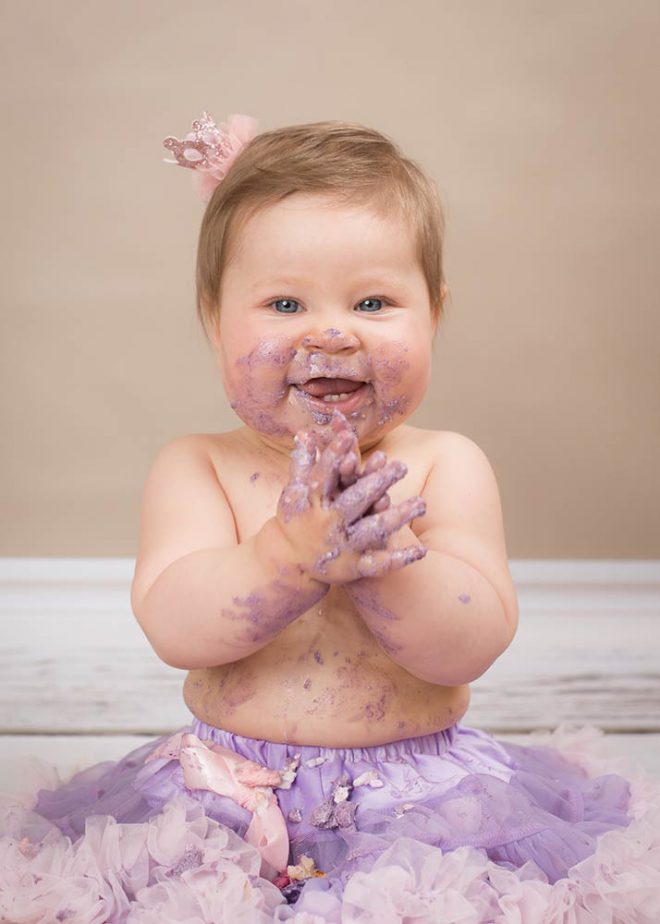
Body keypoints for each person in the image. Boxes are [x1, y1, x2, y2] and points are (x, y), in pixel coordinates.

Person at [1, 112, 658, 924]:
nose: (332, 331)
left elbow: (473, 642)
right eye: (283, 302)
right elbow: (177, 626)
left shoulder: (444, 465)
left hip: (424, 811)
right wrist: (289, 556)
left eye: (374, 301)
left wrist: (387, 554)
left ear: (435, 316)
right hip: (225, 798)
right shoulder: (197, 466)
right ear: (214, 322)